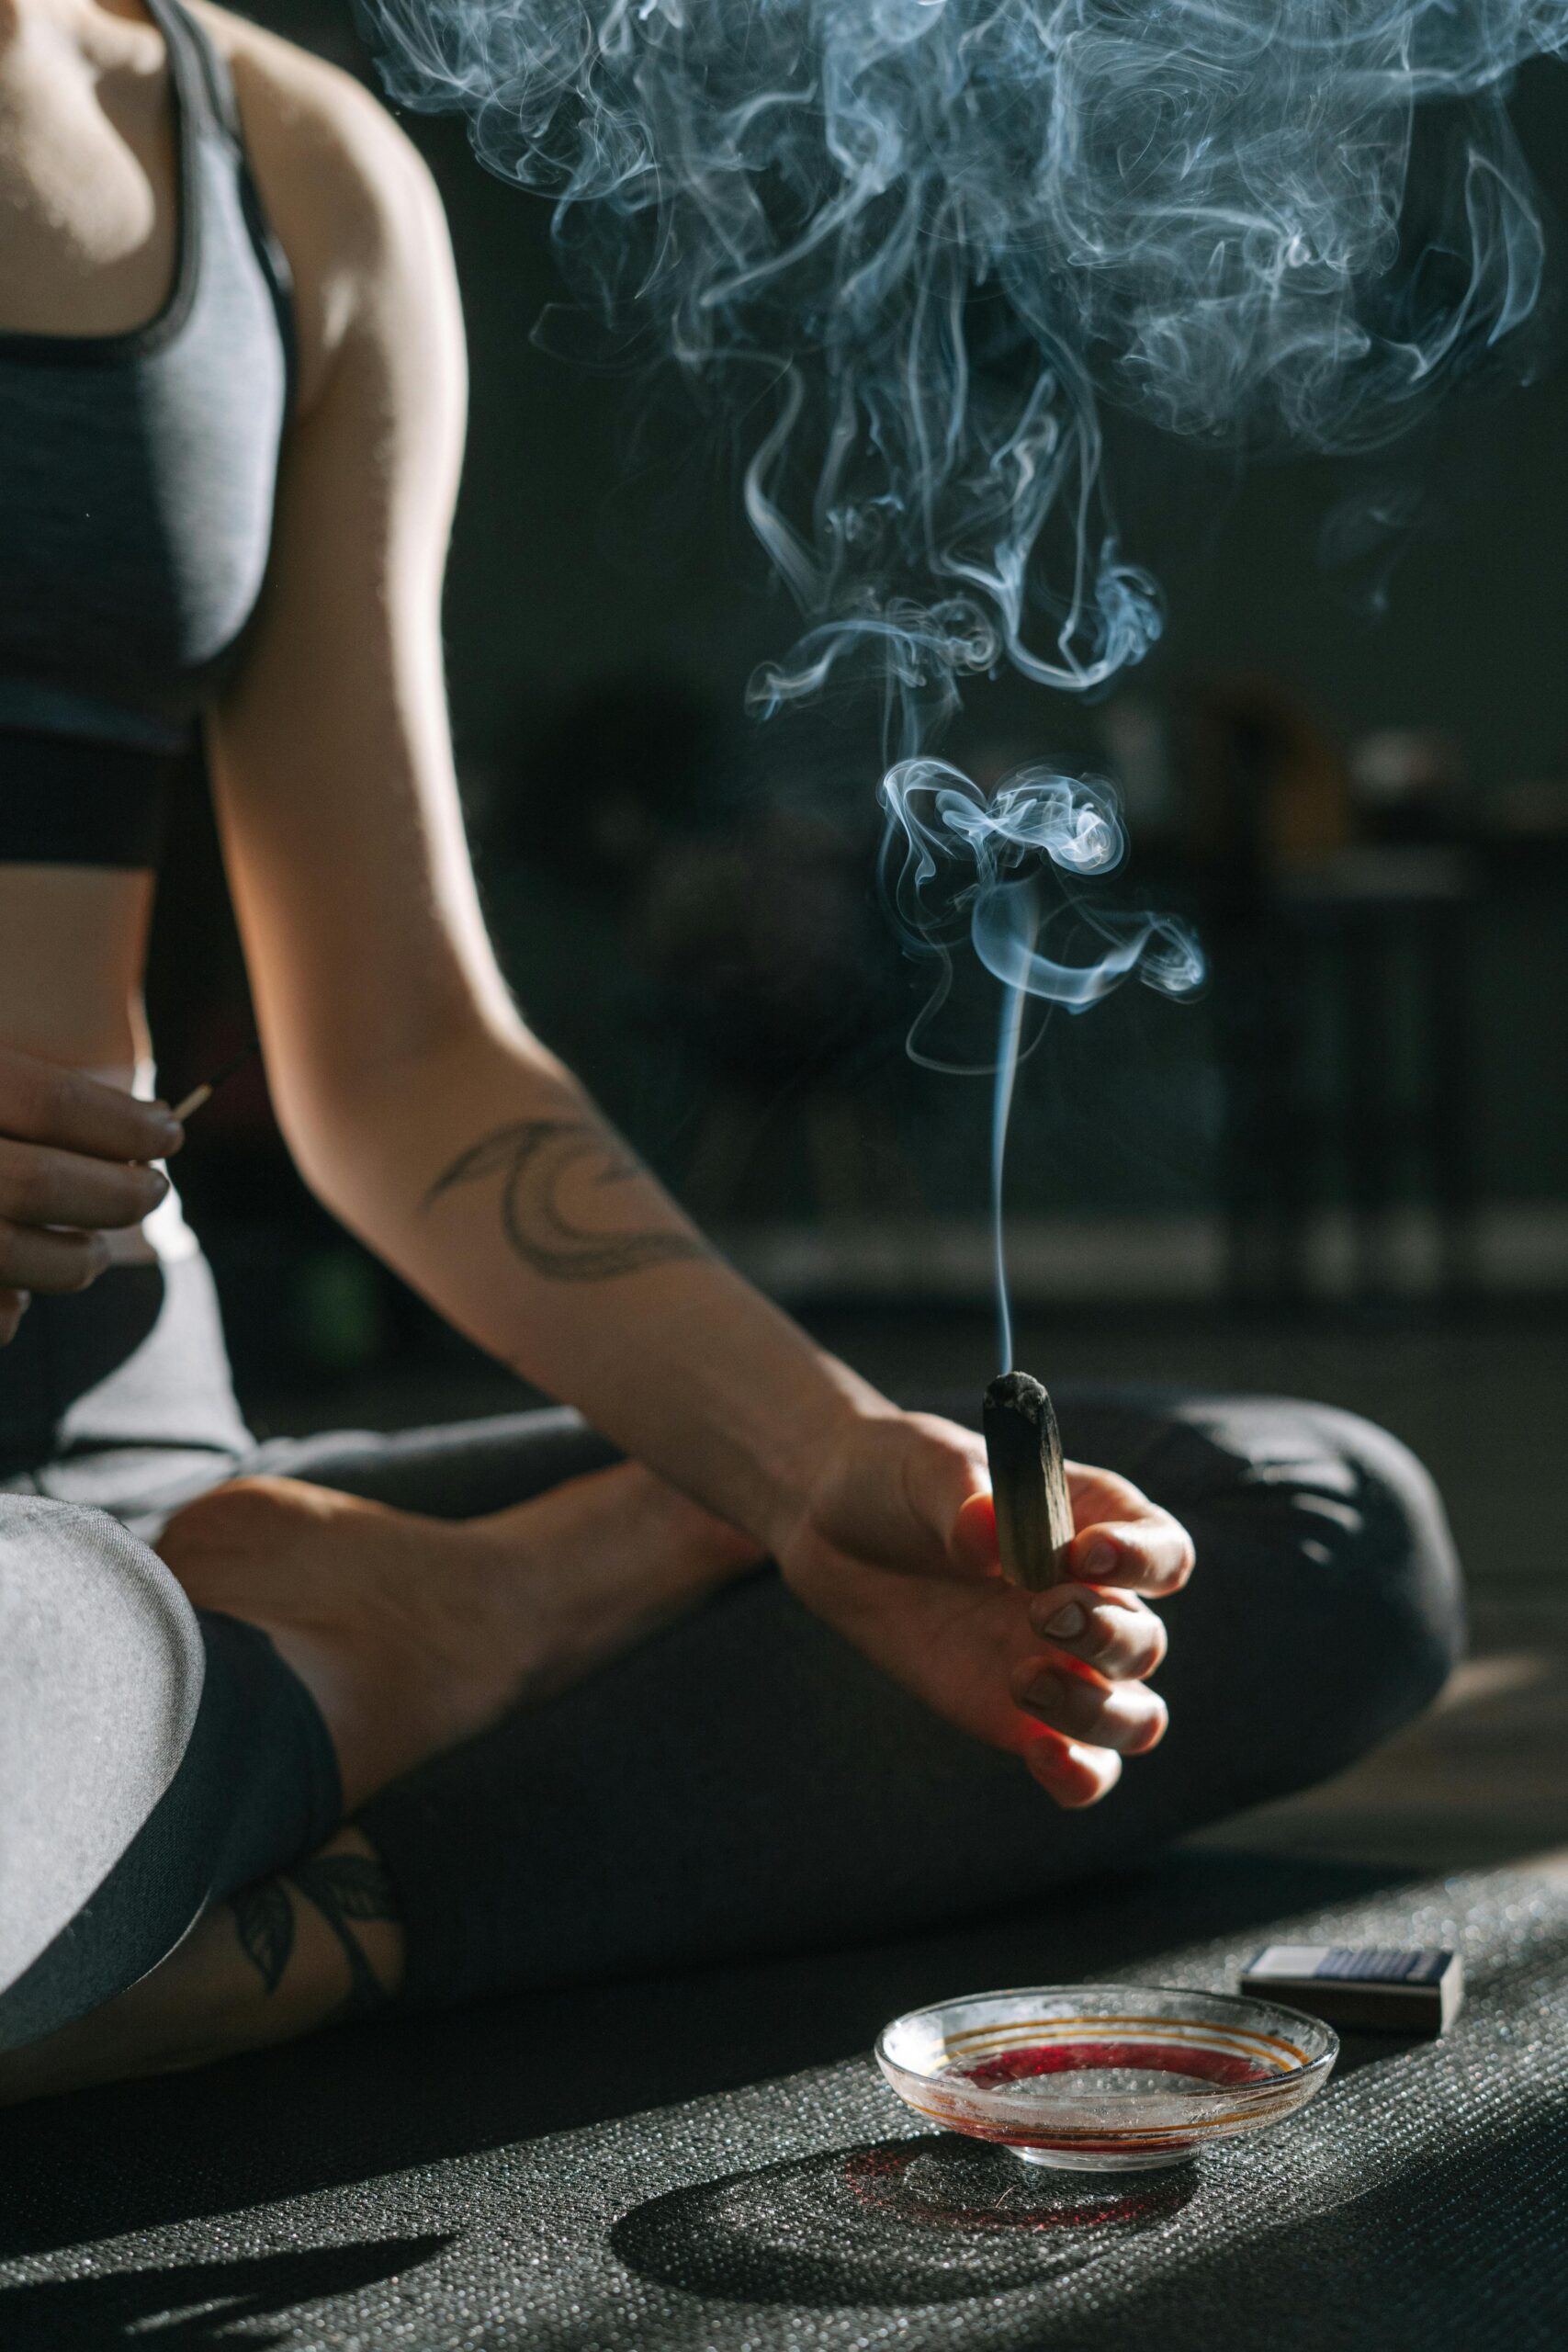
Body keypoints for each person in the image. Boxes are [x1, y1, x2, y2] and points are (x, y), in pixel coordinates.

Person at [0, 0, 1463, 2102]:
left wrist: (809, 1462)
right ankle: (336, 1711)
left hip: (139, 1478)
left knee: (1308, 1530)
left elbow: (406, 1048)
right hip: (115, 1620)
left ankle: (249, 1847)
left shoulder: (284, 178)